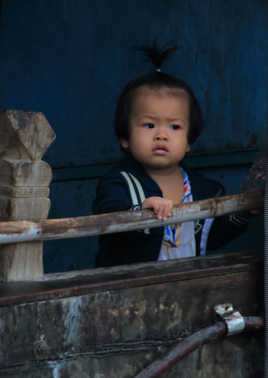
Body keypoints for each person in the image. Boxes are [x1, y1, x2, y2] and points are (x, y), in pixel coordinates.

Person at [93, 43, 251, 268]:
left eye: (175, 127)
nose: (162, 135)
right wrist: (139, 212)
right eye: (149, 125)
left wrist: (245, 213)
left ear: (189, 141)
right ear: (124, 137)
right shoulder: (118, 183)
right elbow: (108, 213)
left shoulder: (204, 190)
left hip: (185, 288)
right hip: (130, 292)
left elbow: (213, 238)